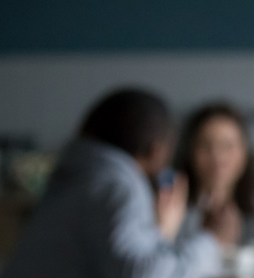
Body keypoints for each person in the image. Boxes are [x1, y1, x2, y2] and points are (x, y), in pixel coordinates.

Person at [2, 89, 222, 278]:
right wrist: (211, 239)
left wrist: (160, 233)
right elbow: (142, 274)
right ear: (156, 150)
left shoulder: (81, 175)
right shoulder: (117, 185)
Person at [174, 103, 254, 247]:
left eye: (227, 146)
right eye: (206, 146)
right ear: (190, 152)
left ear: (245, 153)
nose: (217, 157)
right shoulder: (173, 208)